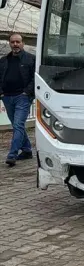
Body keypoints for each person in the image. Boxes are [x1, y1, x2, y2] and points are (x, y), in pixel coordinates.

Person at [0, 34, 35, 167]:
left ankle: (12, 154)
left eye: (18, 42)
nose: (15, 44)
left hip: (23, 97)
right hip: (7, 97)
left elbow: (35, 77)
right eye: (13, 42)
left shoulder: (31, 59)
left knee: (18, 124)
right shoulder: (3, 60)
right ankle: (26, 150)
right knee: (17, 125)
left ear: (23, 43)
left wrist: (27, 92)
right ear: (9, 43)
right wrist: (1, 93)